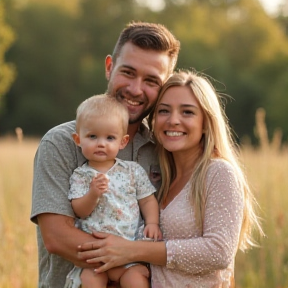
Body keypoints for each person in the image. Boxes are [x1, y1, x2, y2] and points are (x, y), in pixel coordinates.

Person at [77, 70, 264, 287]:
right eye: (164, 111)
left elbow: (218, 252)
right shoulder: (164, 176)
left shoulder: (219, 172)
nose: (173, 120)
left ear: (205, 122)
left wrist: (131, 251)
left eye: (187, 112)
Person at [30, 21, 180, 288]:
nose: (136, 89)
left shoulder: (165, 149)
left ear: (164, 86)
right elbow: (57, 237)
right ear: (109, 67)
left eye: (150, 81)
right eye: (128, 72)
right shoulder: (61, 143)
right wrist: (128, 255)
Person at [66, 94, 162, 288]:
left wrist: (153, 223)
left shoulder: (132, 171)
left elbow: (147, 200)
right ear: (78, 139)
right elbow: (79, 210)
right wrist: (93, 194)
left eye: (110, 138)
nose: (101, 143)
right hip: (95, 258)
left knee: (136, 280)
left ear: (122, 142)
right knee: (90, 281)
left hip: (129, 252)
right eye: (92, 136)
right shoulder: (81, 175)